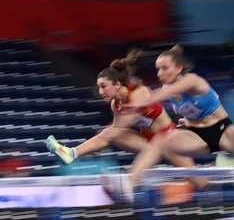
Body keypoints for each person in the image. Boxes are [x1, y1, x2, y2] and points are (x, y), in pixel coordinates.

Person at [115, 45, 234, 202]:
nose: (160, 73)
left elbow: (166, 93)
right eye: (158, 69)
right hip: (200, 137)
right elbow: (191, 109)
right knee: (161, 140)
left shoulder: (192, 80)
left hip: (224, 132)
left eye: (164, 68)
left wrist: (140, 103)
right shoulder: (167, 87)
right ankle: (130, 183)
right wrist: (188, 122)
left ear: (178, 69)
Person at [46, 49, 206, 190]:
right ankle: (71, 152)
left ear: (116, 84)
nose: (100, 91)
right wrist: (100, 142)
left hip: (168, 139)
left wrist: (104, 137)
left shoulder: (139, 92)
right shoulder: (116, 104)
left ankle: (215, 181)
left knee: (200, 184)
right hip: (148, 143)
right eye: (98, 87)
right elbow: (115, 132)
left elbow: (126, 122)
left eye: (103, 86)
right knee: (110, 133)